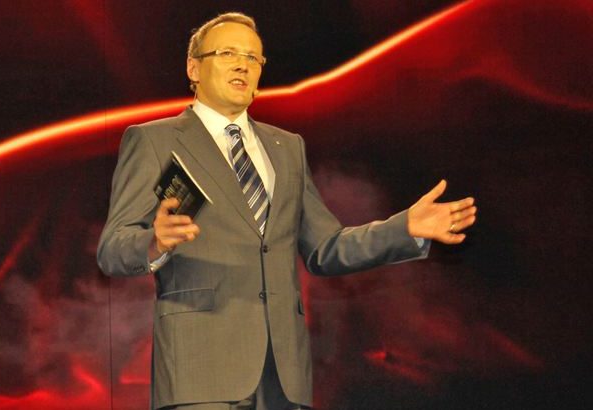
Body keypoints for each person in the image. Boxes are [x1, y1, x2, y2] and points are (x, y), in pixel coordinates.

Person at [97, 12, 476, 410]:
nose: (242, 65)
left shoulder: (287, 147)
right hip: (200, 369)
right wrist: (154, 243)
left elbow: (325, 247)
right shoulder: (154, 141)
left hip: (283, 374)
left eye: (253, 58)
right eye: (228, 53)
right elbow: (112, 248)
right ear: (193, 68)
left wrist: (404, 228)